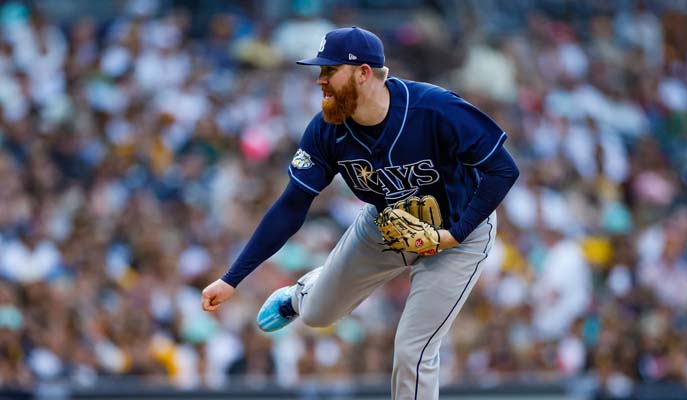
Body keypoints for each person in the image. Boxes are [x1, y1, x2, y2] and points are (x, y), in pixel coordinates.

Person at [200, 26, 519, 399]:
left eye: (329, 70)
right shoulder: (326, 130)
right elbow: (291, 206)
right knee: (318, 315)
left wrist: (457, 233)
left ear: (364, 73)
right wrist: (231, 279)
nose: (320, 81)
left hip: (459, 236)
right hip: (385, 224)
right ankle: (303, 293)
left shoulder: (434, 109)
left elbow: (503, 169)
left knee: (413, 350)